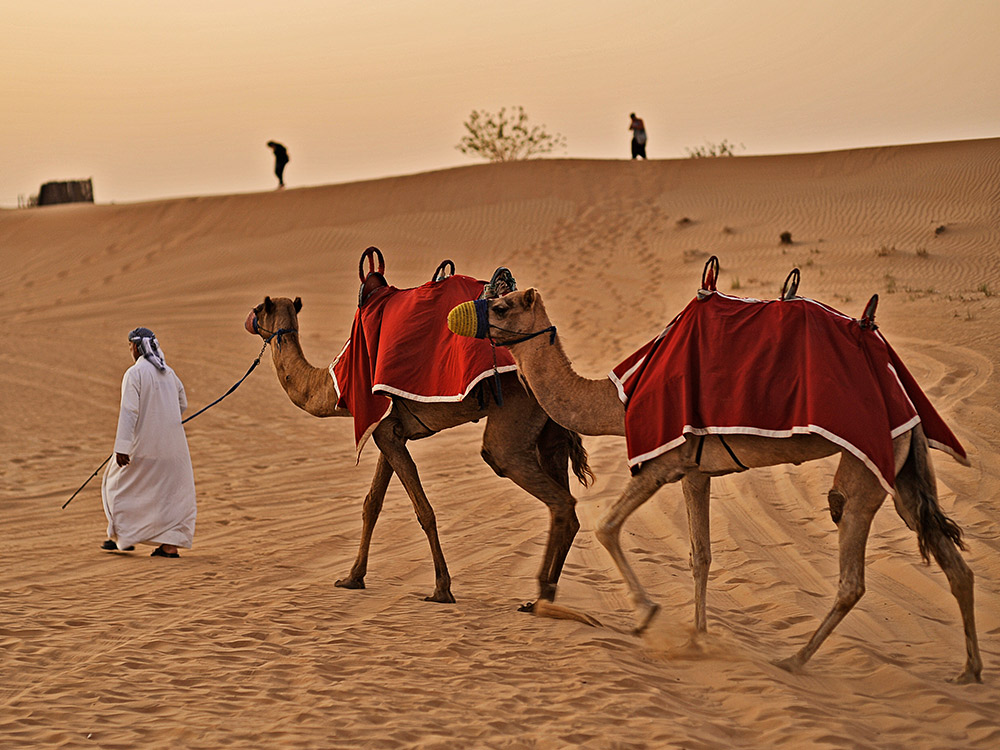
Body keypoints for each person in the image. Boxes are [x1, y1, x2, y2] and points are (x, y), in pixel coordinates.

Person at [101, 328, 197, 558]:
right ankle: (169, 546)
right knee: (168, 494)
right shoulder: (169, 373)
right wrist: (164, 415)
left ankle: (125, 536)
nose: (130, 350)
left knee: (116, 485)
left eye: (131, 346)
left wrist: (122, 448)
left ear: (137, 347)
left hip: (144, 447)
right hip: (173, 448)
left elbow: (129, 411)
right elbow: (182, 404)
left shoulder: (134, 374)